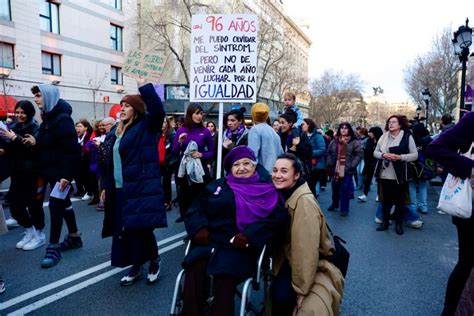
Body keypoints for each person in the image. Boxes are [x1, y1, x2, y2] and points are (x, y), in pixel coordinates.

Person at [181, 146, 287, 316]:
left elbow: (275, 220)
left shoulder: (267, 189)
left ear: (254, 166)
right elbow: (195, 209)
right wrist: (199, 228)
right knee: (195, 267)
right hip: (210, 240)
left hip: (239, 246)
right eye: (236, 164)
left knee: (225, 275)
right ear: (230, 168)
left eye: (247, 163)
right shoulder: (218, 186)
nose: (242, 168)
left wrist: (249, 236)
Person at [101, 80, 167, 286]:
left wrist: (144, 87)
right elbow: (110, 161)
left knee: (142, 228)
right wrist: (105, 186)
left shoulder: (146, 126)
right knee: (127, 229)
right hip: (120, 188)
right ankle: (136, 264)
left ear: (137, 110)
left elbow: (157, 111)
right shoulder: (117, 132)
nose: (122, 109)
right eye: (121, 106)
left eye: (127, 106)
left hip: (140, 187)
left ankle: (154, 260)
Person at [271, 153, 344, 315]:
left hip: (302, 262)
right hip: (289, 258)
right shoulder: (286, 193)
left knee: (281, 297)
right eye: (275, 170)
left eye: (284, 171)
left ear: (296, 175)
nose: (277, 175)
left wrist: (301, 289)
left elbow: (306, 251)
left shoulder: (303, 203)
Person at [27, 84, 82, 268]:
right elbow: (49, 144)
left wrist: (67, 175)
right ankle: (74, 237)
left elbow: (72, 150)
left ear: (49, 96)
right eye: (35, 96)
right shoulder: (48, 118)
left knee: (56, 206)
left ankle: (53, 247)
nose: (36, 99)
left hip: (61, 175)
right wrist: (36, 141)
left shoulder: (62, 119)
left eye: (39, 96)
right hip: (50, 172)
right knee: (65, 205)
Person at [427, 111, 474, 316]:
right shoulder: (472, 120)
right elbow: (435, 147)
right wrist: (470, 168)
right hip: (470, 207)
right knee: (467, 262)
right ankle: (450, 311)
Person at [0, 101, 46, 250]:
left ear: (30, 113)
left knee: (34, 207)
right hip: (17, 173)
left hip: (34, 174)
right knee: (15, 206)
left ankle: (39, 235)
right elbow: (10, 149)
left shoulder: (36, 128)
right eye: (17, 112)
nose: (20, 115)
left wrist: (15, 139)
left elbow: (34, 150)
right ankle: (29, 231)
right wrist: (4, 149)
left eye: (23, 112)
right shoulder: (12, 128)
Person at [373, 115, 418, 235]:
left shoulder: (407, 137)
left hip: (400, 174)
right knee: (385, 200)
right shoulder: (383, 136)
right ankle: (385, 222)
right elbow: (375, 152)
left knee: (400, 201)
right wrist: (383, 155)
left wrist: (401, 157)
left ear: (400, 124)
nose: (391, 124)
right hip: (384, 173)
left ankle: (398, 224)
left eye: (394, 122)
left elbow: (415, 155)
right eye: (389, 122)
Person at [172, 104, 215, 223]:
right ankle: (188, 225)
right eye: (196, 113)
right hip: (184, 170)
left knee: (200, 198)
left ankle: (199, 226)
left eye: (201, 113)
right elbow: (174, 152)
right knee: (185, 198)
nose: (199, 116)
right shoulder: (181, 130)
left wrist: (202, 155)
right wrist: (180, 142)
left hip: (200, 170)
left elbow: (212, 152)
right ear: (190, 114)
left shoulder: (205, 131)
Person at [326, 122, 363, 216]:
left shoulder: (354, 142)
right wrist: (330, 162)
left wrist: (352, 165)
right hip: (335, 168)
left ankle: (344, 209)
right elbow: (329, 152)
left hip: (347, 169)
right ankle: (335, 204)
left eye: (346, 128)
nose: (343, 129)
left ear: (349, 130)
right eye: (342, 128)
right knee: (335, 187)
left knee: (345, 189)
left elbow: (359, 154)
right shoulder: (335, 141)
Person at [248, 102, 283, 173]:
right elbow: (281, 154)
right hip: (274, 173)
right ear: (267, 116)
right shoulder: (274, 132)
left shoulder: (255, 130)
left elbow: (252, 155)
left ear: (253, 115)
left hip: (261, 174)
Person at [408, 123, 433, 214]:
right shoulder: (429, 140)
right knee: (423, 185)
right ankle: (423, 206)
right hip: (425, 165)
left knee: (412, 185)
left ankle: (413, 206)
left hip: (413, 164)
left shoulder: (412, 139)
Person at [278, 112, 312, 178]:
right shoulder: (280, 135)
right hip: (284, 171)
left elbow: (308, 153)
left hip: (298, 172)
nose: (280, 125)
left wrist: (297, 146)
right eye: (279, 123)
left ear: (290, 123)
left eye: (283, 123)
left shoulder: (301, 135)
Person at [301, 118, 326, 198]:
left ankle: (313, 205)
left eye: (303, 124)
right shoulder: (302, 135)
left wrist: (310, 153)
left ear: (308, 125)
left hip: (316, 165)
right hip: (307, 165)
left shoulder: (317, 136)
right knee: (309, 187)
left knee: (311, 186)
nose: (301, 126)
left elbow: (322, 149)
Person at [358, 126, 383, 202]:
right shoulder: (369, 140)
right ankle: (364, 195)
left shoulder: (382, 141)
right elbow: (366, 152)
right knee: (367, 179)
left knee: (379, 180)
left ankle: (379, 195)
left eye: (371, 132)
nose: (369, 134)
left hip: (378, 163)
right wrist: (366, 162)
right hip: (369, 163)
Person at [159, 116, 175, 210]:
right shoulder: (156, 135)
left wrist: (169, 162)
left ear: (167, 124)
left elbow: (173, 151)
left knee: (166, 183)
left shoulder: (171, 136)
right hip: (157, 163)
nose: (162, 124)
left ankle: (167, 202)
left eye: (164, 122)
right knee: (157, 183)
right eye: (161, 122)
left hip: (167, 164)